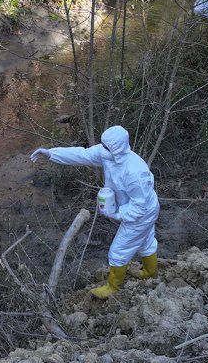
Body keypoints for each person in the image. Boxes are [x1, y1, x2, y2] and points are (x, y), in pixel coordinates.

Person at [30, 125, 159, 299]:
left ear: (117, 148)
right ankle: (150, 273)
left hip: (142, 214)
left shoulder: (135, 171)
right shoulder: (108, 154)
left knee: (118, 251)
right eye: (103, 144)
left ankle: (113, 287)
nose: (102, 148)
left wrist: (118, 214)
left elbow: (139, 206)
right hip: (138, 208)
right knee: (145, 241)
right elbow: (82, 155)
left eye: (106, 146)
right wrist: (51, 153)